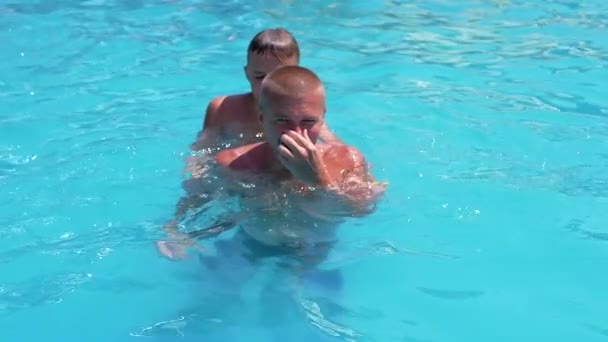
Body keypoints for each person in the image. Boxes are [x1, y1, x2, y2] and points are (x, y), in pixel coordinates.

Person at [157, 65, 386, 277]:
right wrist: (177, 233)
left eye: (308, 121)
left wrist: (318, 180)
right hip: (253, 243)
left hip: (317, 251)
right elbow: (199, 200)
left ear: (323, 117)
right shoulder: (232, 164)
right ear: (261, 118)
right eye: (282, 120)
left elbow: (362, 210)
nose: (296, 133)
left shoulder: (347, 159)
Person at [190, 27, 340, 154]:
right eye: (260, 76)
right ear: (247, 74)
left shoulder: (301, 117)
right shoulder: (222, 109)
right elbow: (201, 154)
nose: (267, 85)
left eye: (278, 76)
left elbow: (337, 150)